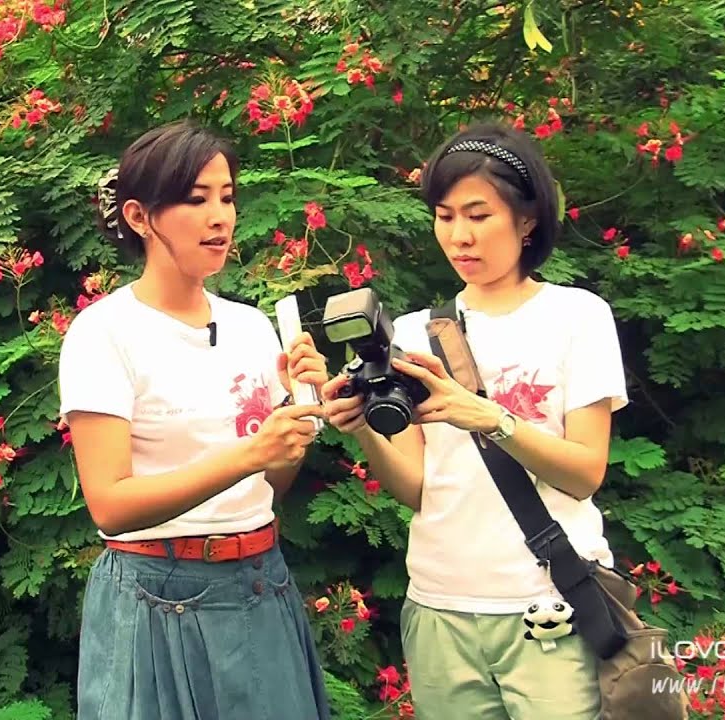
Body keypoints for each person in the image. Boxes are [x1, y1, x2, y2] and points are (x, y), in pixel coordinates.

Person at [320, 122, 629, 719]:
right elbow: (417, 489)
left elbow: (586, 473)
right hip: (440, 608)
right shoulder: (413, 334)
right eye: (445, 216)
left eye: (478, 215)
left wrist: (490, 418)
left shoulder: (577, 317)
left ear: (527, 220)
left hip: (548, 603)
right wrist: (363, 431)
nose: (459, 235)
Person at [59, 120, 332, 720]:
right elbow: (110, 504)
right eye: (196, 199)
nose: (220, 218)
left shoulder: (251, 327)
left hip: (260, 585)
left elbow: (270, 486)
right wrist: (252, 453)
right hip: (154, 596)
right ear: (139, 216)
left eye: (227, 198)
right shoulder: (103, 333)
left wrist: (294, 425)